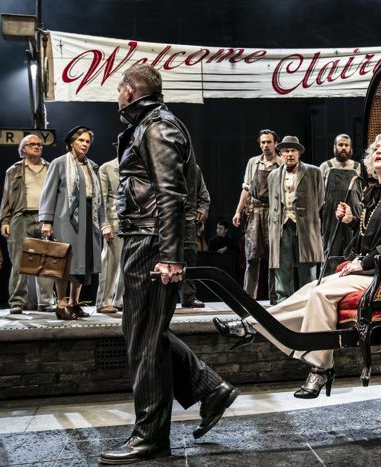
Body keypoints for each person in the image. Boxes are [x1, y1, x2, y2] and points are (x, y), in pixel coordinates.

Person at [99, 63, 237, 465]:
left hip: (153, 242)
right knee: (144, 332)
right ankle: (210, 388)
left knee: (144, 339)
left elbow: (172, 193)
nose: (116, 96)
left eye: (118, 89)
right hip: (145, 239)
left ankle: (151, 436)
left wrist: (170, 256)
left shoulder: (158, 127)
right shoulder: (147, 126)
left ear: (130, 90)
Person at [215, 131, 381, 398]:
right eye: (375, 148)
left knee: (320, 293)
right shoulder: (376, 189)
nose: (378, 151)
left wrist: (362, 261)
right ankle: (252, 326)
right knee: (310, 288)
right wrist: (352, 220)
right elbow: (369, 233)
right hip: (365, 265)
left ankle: (320, 367)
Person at [39, 126, 113, 320]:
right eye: (81, 140)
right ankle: (61, 303)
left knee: (83, 262)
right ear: (72, 142)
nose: (85, 144)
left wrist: (104, 222)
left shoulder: (93, 166)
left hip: (89, 217)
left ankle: (74, 303)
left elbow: (99, 198)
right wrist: (46, 221)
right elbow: (48, 192)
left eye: (88, 141)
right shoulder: (60, 163)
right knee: (66, 261)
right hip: (65, 218)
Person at [0, 135, 56, 314]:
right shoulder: (14, 170)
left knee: (47, 260)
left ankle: (46, 301)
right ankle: (17, 301)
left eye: (39, 144)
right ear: (23, 149)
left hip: (46, 218)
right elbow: (6, 197)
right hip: (21, 217)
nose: (37, 147)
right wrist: (5, 220)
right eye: (32, 144)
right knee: (19, 261)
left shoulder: (51, 167)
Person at [268, 136, 324, 301]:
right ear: (281, 154)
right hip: (282, 224)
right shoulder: (273, 176)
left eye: (293, 150)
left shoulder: (314, 172)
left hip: (306, 224)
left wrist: (308, 214)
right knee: (282, 265)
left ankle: (308, 298)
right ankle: (283, 299)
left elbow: (320, 199)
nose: (290, 154)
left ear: (299, 153)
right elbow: (272, 201)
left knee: (307, 264)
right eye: (286, 151)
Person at [232, 129, 282, 303]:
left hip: (274, 212)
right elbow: (246, 189)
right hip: (254, 213)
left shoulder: (282, 162)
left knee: (274, 258)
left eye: (269, 142)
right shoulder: (253, 162)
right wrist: (238, 211)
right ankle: (248, 299)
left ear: (276, 143)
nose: (265, 146)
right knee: (252, 256)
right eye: (262, 142)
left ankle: (274, 298)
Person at [319, 134, 362, 257]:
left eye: (346, 145)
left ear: (351, 149)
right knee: (330, 247)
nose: (343, 148)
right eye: (340, 145)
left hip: (353, 215)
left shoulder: (358, 167)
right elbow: (318, 194)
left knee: (352, 248)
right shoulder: (326, 167)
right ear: (334, 147)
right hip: (331, 215)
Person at [96, 149, 124, 313]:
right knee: (110, 263)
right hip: (114, 221)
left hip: (133, 223)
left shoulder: (137, 166)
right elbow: (101, 199)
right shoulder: (107, 168)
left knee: (127, 265)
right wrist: (104, 224)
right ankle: (103, 301)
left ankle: (120, 300)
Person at [181, 165, 210, 308]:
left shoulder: (194, 169)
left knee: (189, 259)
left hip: (188, 221)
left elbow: (204, 196)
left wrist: (202, 210)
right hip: (164, 220)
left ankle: (188, 297)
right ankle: (160, 299)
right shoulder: (160, 164)